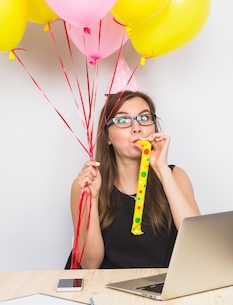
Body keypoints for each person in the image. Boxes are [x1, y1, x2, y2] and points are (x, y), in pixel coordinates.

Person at [68, 90, 200, 269]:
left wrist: (162, 169)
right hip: (103, 289)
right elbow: (90, 265)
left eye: (144, 118)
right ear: (107, 136)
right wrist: (91, 198)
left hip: (160, 288)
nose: (136, 128)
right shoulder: (86, 185)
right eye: (122, 120)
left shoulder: (176, 175)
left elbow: (195, 240)